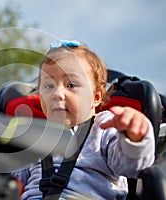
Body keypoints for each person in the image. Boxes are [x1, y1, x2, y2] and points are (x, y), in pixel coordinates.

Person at [12, 40, 155, 199]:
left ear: (95, 97)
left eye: (71, 84)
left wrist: (133, 139)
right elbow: (14, 178)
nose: (57, 94)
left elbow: (132, 167)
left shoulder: (104, 127)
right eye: (48, 86)